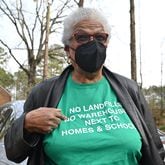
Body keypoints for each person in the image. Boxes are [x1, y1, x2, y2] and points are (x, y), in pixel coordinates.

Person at [4, 7, 165, 165]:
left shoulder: (130, 90)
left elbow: (155, 150)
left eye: (100, 37)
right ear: (67, 49)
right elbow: (13, 152)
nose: (93, 43)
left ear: (107, 43)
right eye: (82, 37)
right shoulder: (44, 93)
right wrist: (26, 124)